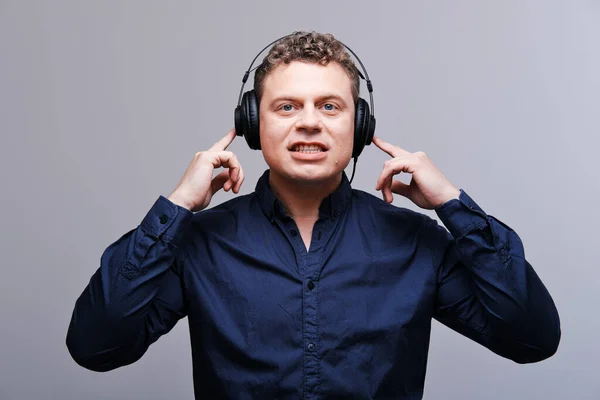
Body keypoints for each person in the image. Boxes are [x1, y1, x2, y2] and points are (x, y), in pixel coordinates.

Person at [66, 31, 561, 399]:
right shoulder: (199, 242)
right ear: (253, 124)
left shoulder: (418, 242)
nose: (309, 122)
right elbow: (96, 347)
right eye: (286, 107)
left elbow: (532, 339)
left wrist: (453, 204)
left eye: (329, 106)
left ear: (360, 126)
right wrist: (176, 207)